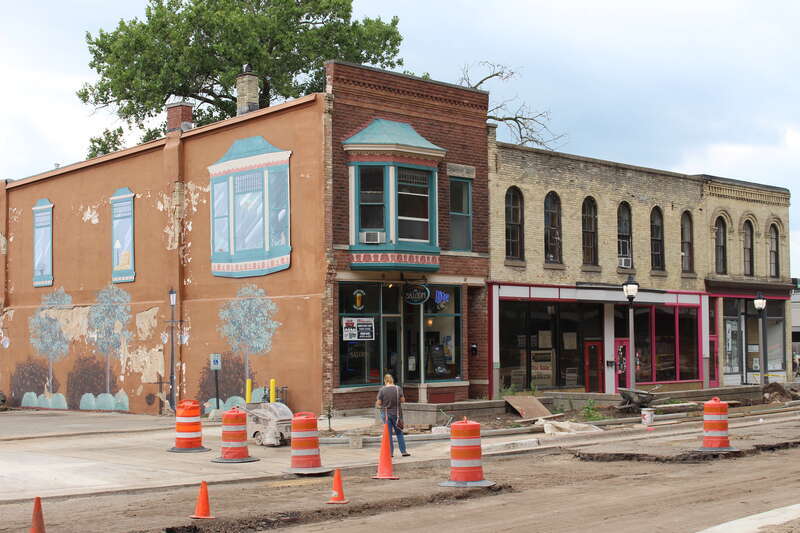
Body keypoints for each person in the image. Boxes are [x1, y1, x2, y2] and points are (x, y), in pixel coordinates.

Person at [376, 373, 409, 457]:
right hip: (397, 414)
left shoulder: (382, 390)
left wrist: (382, 404)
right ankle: (403, 451)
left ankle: (390, 453)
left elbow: (379, 403)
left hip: (386, 414)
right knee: (399, 433)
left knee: (388, 434)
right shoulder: (398, 389)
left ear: (385, 381)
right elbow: (403, 400)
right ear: (392, 380)